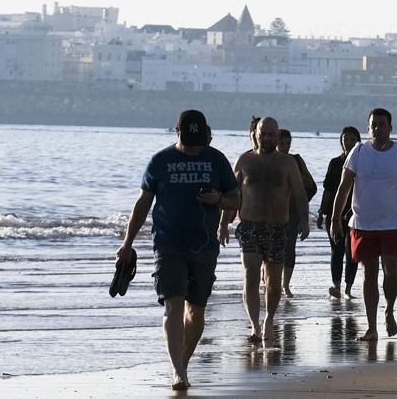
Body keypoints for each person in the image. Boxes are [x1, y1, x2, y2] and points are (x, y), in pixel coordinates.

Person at [116, 110, 239, 391]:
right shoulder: (160, 161)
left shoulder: (216, 159)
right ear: (177, 132)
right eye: (189, 141)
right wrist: (127, 244)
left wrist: (219, 198)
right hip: (168, 244)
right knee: (173, 304)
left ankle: (182, 361)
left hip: (204, 246)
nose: (195, 148)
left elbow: (236, 198)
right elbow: (142, 204)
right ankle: (178, 371)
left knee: (196, 311)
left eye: (199, 142)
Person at [330, 108, 397, 341]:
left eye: (382, 124)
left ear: (391, 128)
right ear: (368, 128)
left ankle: (389, 309)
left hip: (393, 225)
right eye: (373, 125)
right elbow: (344, 187)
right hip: (362, 224)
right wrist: (334, 219)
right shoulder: (358, 152)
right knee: (368, 275)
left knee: (391, 272)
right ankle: (372, 327)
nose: (377, 128)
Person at [221, 116, 310, 347]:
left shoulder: (287, 163)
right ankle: (254, 324)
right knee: (250, 275)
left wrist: (304, 220)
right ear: (256, 133)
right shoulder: (244, 160)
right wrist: (223, 224)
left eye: (271, 134)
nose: (267, 138)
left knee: (273, 281)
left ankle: (269, 318)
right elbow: (232, 195)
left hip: (278, 227)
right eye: (263, 133)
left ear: (278, 135)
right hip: (250, 225)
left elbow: (300, 193)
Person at [319, 126, 361, 298]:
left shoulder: (361, 162)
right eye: (345, 140)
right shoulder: (335, 163)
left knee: (352, 252)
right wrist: (322, 211)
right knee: (337, 250)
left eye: (352, 140)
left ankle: (348, 288)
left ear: (358, 142)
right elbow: (328, 189)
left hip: (355, 214)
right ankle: (336, 286)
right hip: (333, 213)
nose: (348, 143)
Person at [276, 129, 317, 298]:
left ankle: (285, 285)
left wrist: (302, 212)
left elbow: (312, 187)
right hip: (273, 210)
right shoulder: (269, 160)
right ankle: (271, 283)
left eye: (287, 143)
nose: (285, 147)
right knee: (271, 247)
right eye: (281, 143)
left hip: (292, 210)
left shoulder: (296, 160)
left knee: (289, 248)